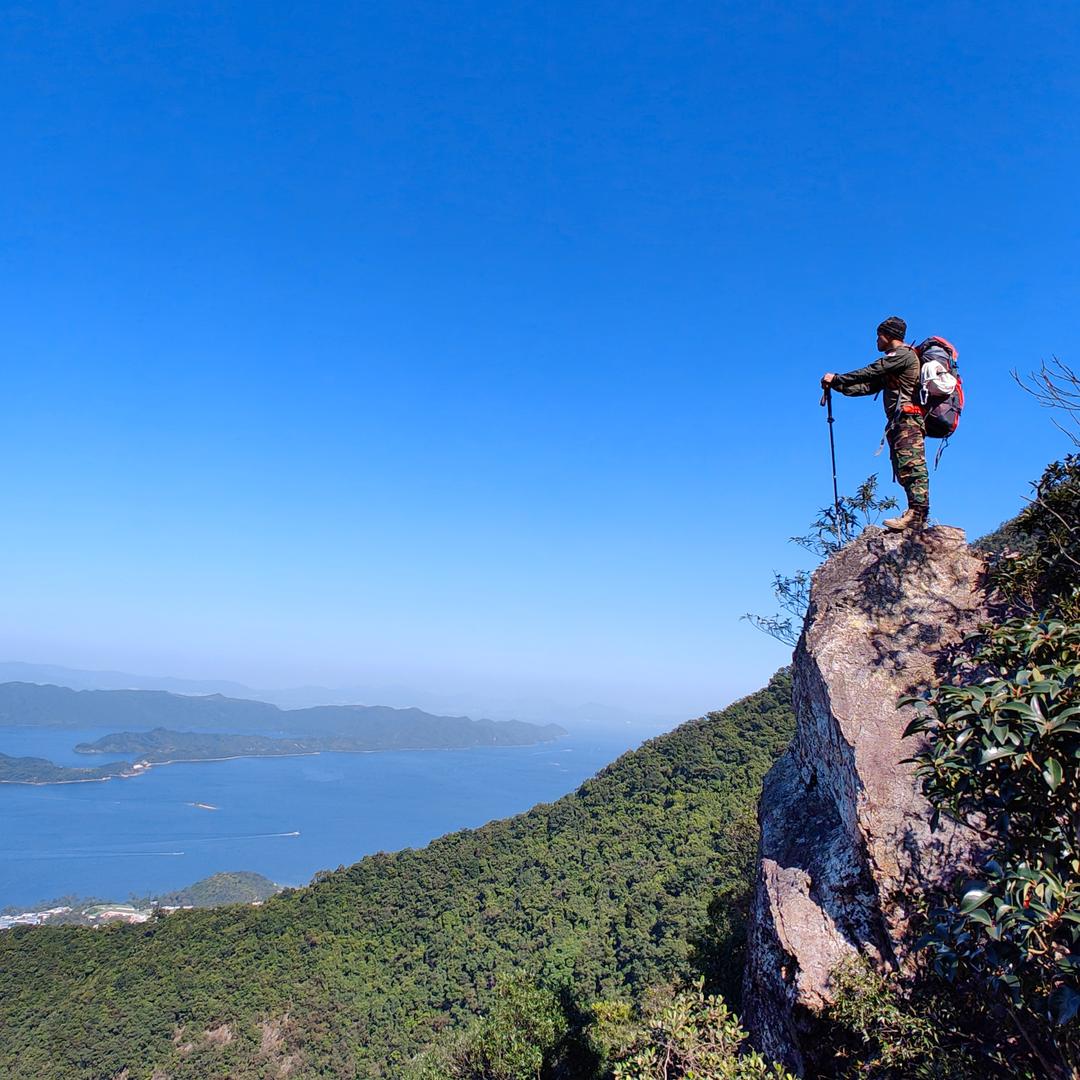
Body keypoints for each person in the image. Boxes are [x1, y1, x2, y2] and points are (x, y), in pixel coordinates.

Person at [821, 316, 929, 531]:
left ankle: (917, 515)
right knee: (903, 466)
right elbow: (867, 386)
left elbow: (871, 371)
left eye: (879, 336)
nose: (876, 341)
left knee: (912, 466)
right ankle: (914, 513)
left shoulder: (902, 355)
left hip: (908, 419)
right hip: (900, 422)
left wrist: (837, 378)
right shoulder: (895, 361)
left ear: (888, 336)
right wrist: (838, 387)